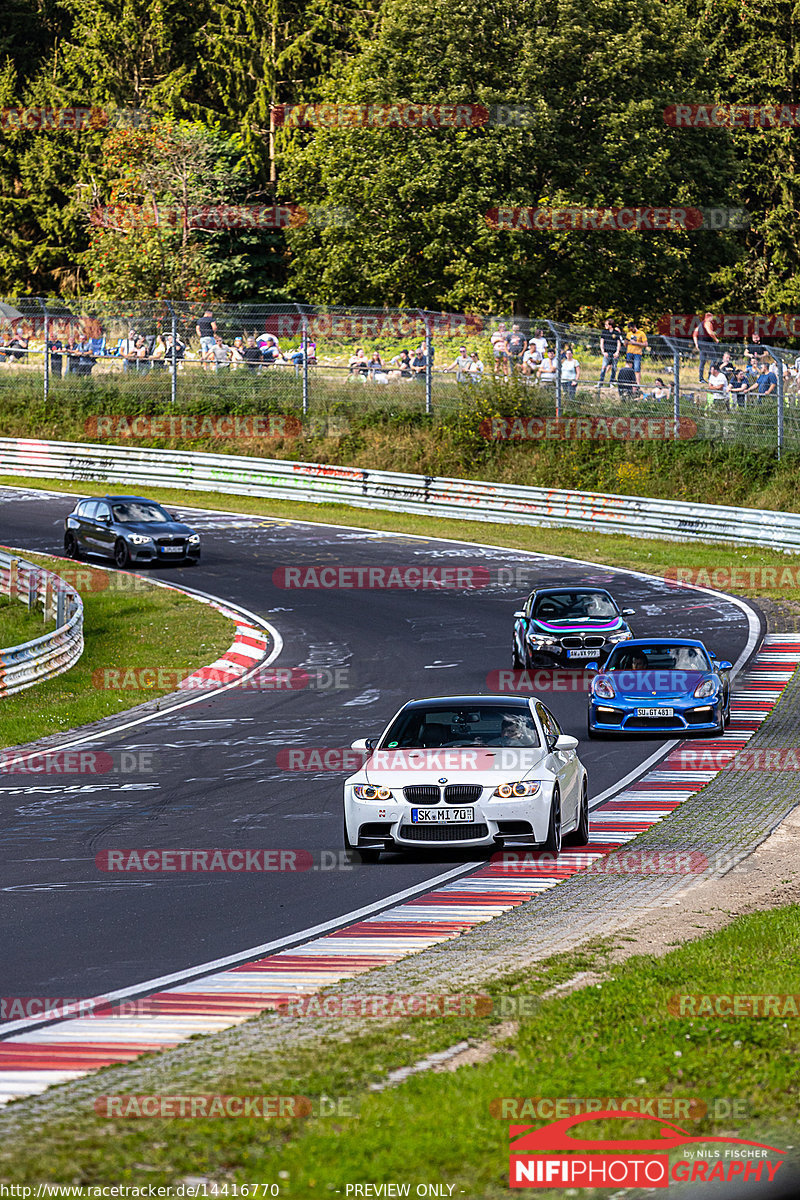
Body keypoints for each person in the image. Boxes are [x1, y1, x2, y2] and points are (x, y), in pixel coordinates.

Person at [692, 312, 719, 382]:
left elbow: (694, 334)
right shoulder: (708, 323)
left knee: (702, 361)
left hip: (701, 344)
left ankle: (701, 378)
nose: (712, 319)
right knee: (714, 359)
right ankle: (710, 376)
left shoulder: (700, 324)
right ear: (709, 317)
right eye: (712, 317)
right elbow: (709, 332)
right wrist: (716, 339)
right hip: (707, 344)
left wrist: (696, 344)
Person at [598, 318, 621, 386]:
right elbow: (601, 342)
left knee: (614, 368)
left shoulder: (616, 333)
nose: (605, 325)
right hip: (607, 353)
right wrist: (603, 352)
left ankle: (611, 382)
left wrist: (617, 352)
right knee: (604, 367)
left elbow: (618, 343)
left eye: (606, 324)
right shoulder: (604, 332)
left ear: (610, 325)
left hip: (614, 353)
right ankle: (601, 382)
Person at [626, 321, 648, 386]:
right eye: (630, 330)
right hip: (629, 352)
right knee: (629, 368)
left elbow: (646, 344)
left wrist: (636, 343)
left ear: (634, 327)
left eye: (632, 329)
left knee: (637, 369)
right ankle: (629, 382)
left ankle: (638, 384)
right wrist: (626, 342)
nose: (631, 331)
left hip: (637, 353)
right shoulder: (629, 334)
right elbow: (626, 343)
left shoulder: (641, 333)